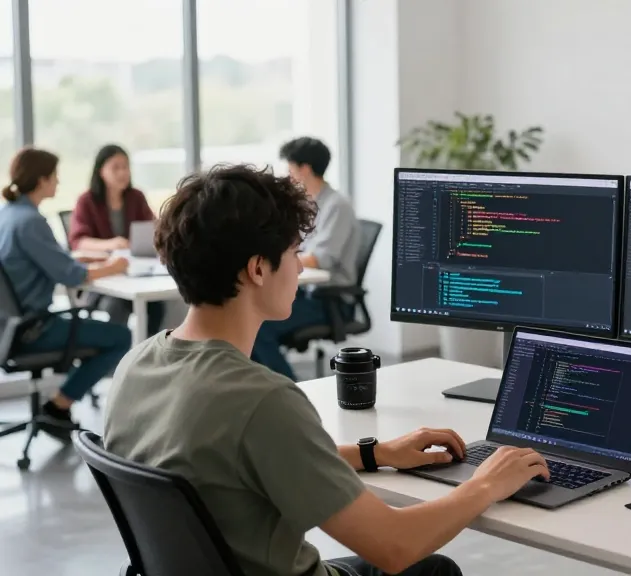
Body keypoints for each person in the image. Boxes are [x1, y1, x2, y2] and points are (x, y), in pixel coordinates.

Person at [103, 164, 548, 576]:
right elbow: (394, 546)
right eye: (295, 251)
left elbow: (241, 461)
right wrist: (485, 484)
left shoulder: (135, 365)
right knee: (433, 569)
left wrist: (376, 452)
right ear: (258, 269)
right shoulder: (261, 400)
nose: (299, 265)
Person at [0, 147, 132, 432]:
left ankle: (59, 404)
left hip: (9, 325)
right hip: (32, 328)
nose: (58, 182)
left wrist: (81, 258)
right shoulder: (31, 221)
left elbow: (48, 260)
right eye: (55, 177)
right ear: (41, 180)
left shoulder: (9, 215)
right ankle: (59, 405)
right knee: (122, 337)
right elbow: (71, 276)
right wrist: (114, 266)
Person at [252, 137, 360, 380]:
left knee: (259, 326)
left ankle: (289, 391)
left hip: (328, 300)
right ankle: (260, 388)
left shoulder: (336, 206)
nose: (287, 175)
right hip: (303, 293)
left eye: (290, 169)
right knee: (247, 314)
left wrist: (277, 260)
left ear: (305, 169)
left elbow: (321, 259)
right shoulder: (306, 204)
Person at [68, 144, 165, 335]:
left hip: (134, 272)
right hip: (103, 278)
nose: (122, 172)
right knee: (115, 306)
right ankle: (115, 354)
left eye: (126, 166)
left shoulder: (136, 197)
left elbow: (154, 229)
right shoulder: (86, 201)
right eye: (116, 167)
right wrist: (112, 244)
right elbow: (79, 242)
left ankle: (144, 356)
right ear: (101, 171)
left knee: (157, 306)